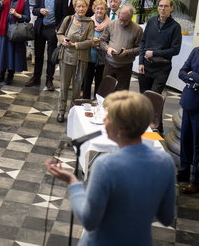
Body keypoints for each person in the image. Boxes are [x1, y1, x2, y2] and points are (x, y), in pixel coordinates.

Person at [45, 91, 175, 246]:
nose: (104, 120)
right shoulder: (165, 162)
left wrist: (74, 184)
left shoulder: (106, 165)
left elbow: (89, 220)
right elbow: (166, 217)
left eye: (108, 116)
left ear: (120, 127)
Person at [177, 23, 199, 194]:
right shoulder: (196, 51)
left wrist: (193, 76)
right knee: (185, 140)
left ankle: (196, 180)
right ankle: (183, 171)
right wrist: (193, 78)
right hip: (189, 101)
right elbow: (182, 71)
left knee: (198, 144)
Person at [25, 0, 69, 91]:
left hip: (53, 28)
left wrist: (58, 29)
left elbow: (65, 15)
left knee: (51, 56)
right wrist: (40, 10)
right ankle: (36, 77)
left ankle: (49, 80)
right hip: (40, 27)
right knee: (38, 54)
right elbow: (34, 11)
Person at [56, 0, 94, 123]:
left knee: (77, 87)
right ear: (74, 7)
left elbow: (90, 41)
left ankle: (74, 113)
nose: (81, 9)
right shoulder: (68, 19)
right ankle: (61, 111)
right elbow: (59, 33)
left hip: (81, 58)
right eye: (78, 6)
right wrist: (63, 40)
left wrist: (75, 45)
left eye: (83, 6)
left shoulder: (90, 23)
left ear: (87, 7)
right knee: (64, 86)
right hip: (66, 56)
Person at [138, 0, 182, 99]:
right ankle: (142, 115)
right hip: (146, 65)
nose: (163, 9)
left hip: (162, 68)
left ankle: (155, 116)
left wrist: (154, 53)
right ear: (158, 7)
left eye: (166, 6)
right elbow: (143, 42)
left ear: (171, 8)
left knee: (153, 98)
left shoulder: (175, 27)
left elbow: (175, 50)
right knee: (143, 98)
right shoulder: (151, 21)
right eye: (161, 6)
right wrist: (140, 62)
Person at [0, 0, 30, 85]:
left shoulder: (24, 0)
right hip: (4, 30)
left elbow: (27, 17)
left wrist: (17, 15)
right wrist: (1, 3)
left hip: (15, 32)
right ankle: (1, 73)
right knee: (3, 53)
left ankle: (10, 75)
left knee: (12, 54)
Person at [100, 4, 143, 91]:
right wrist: (108, 48)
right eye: (121, 19)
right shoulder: (111, 24)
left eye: (125, 20)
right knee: (105, 90)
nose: (122, 22)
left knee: (121, 93)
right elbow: (102, 41)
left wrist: (128, 52)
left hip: (125, 66)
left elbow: (141, 48)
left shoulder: (137, 29)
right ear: (118, 15)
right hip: (109, 63)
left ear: (131, 18)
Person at [82, 0, 109, 99]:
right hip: (90, 56)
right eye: (97, 8)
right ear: (94, 9)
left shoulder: (110, 24)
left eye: (102, 9)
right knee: (87, 82)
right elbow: (83, 37)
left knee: (100, 82)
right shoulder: (88, 22)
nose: (99, 11)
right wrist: (91, 41)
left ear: (105, 10)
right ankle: (85, 101)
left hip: (102, 58)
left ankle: (97, 103)